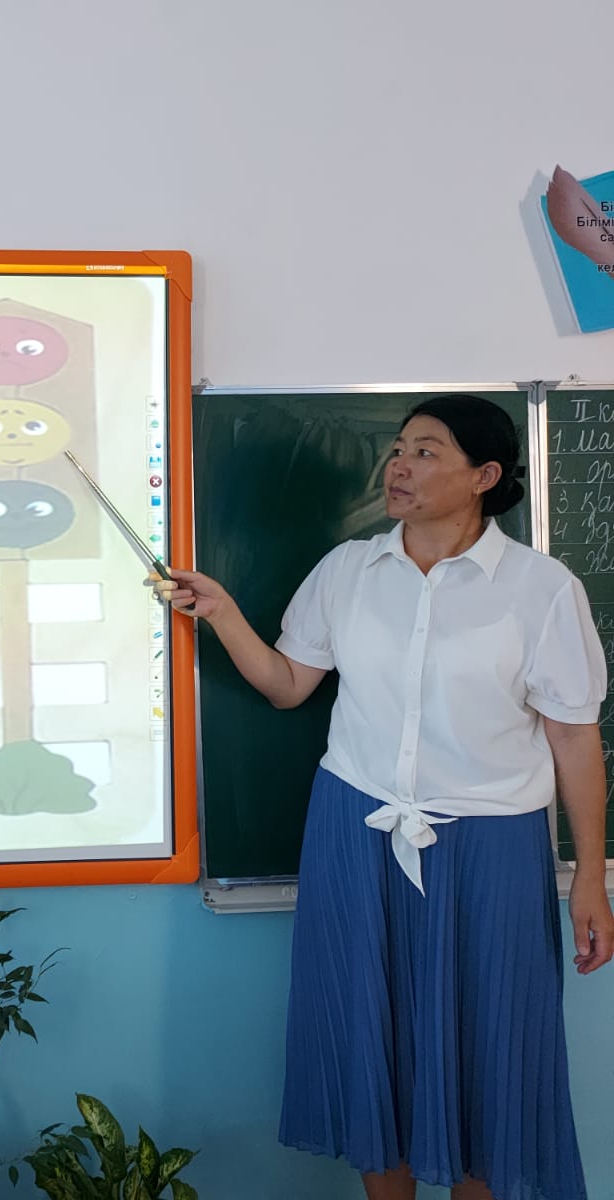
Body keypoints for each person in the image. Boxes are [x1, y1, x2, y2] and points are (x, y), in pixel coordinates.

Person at [158, 394, 612, 1200]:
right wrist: (221, 612)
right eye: (398, 448)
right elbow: (289, 685)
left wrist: (589, 879)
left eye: (426, 452)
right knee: (370, 1038)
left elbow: (574, 738)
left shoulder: (540, 589)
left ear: (484, 476)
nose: (399, 465)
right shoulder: (348, 570)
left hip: (491, 846)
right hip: (355, 827)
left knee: (488, 1050)